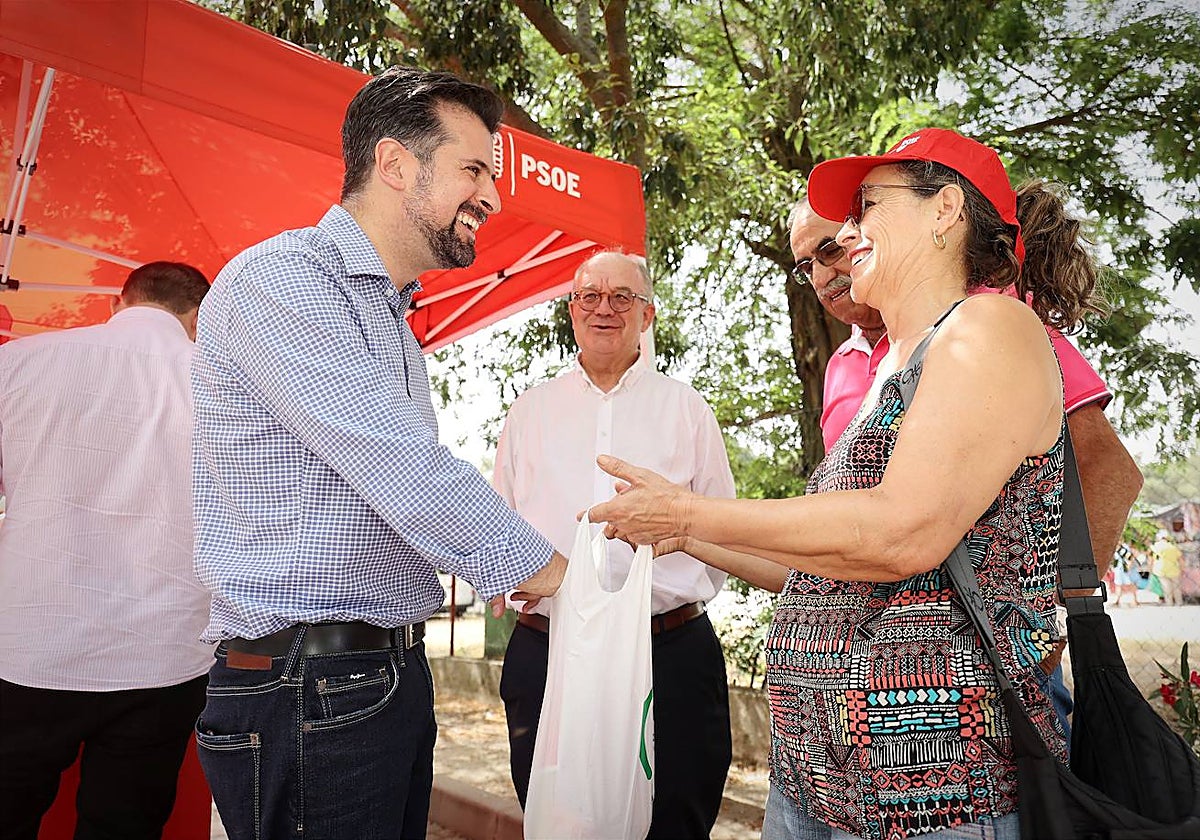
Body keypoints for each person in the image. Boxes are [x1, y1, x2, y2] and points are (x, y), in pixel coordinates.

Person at [593, 128, 1105, 840]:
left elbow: (901, 532)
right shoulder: (883, 369)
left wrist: (691, 507)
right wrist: (687, 532)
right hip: (815, 780)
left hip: (930, 796)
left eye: (869, 206)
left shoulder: (988, 326)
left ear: (944, 210)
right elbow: (812, 563)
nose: (851, 229)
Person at [191, 67, 568, 840]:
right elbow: (405, 470)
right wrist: (563, 578)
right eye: (474, 170)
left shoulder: (388, 319)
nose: (493, 197)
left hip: (365, 680)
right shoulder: (283, 282)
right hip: (311, 684)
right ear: (396, 165)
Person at [789, 196, 1143, 729]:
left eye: (831, 247)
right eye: (805, 265)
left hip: (988, 683)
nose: (822, 273)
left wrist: (1044, 632)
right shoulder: (841, 366)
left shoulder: (984, 325)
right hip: (859, 697)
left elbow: (1109, 470)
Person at [494, 250, 737, 838]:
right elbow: (497, 526)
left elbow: (725, 526)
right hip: (550, 652)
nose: (604, 309)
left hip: (669, 652)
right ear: (571, 312)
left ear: (647, 315)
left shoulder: (687, 409)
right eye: (589, 296)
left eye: (621, 297)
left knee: (677, 818)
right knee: (559, 822)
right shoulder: (530, 411)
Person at [0, 262, 212, 840]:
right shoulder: (219, 387)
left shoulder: (17, 363)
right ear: (198, 319)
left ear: (117, 307)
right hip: (162, 654)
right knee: (123, 827)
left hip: (28, 645)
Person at [1152, 531, 1184, 605]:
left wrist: (1151, 568)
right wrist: (1182, 568)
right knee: (1176, 587)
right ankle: (1179, 602)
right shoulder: (1173, 547)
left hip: (1161, 569)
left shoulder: (1156, 547)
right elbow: (1180, 559)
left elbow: (1153, 559)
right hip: (1174, 569)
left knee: (1166, 587)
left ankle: (1169, 603)